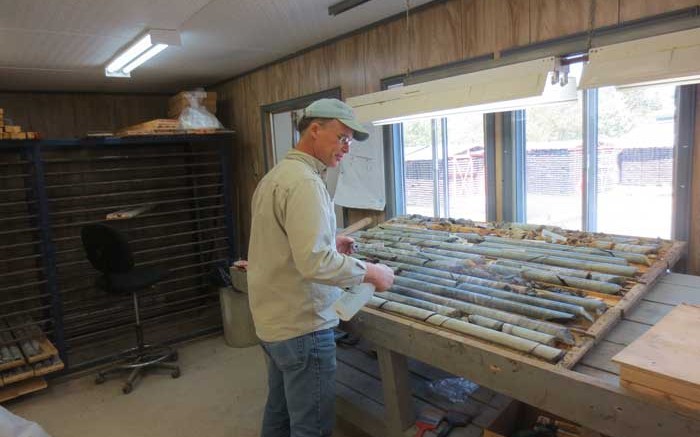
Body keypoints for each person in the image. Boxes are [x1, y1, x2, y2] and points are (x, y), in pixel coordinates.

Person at [247, 98, 395, 437]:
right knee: (310, 427)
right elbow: (314, 262)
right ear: (315, 129)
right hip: (302, 327)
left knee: (279, 412)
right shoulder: (306, 183)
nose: (345, 148)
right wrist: (371, 272)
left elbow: (284, 245)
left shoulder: (277, 176)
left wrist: (331, 242)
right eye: (341, 137)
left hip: (272, 321)